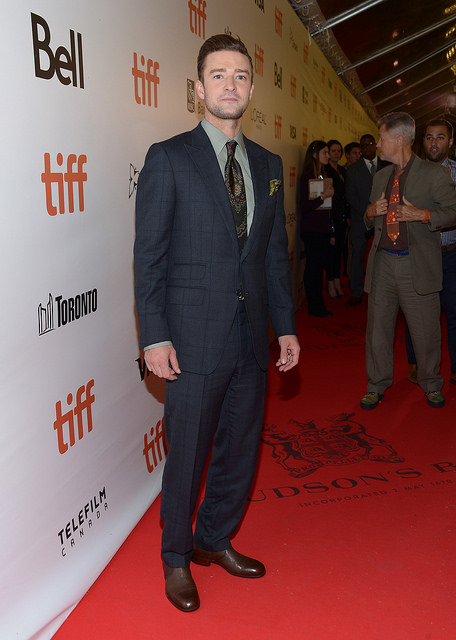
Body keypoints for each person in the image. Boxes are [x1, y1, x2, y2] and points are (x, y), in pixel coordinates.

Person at [134, 34, 300, 613]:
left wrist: (285, 325)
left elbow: (274, 255)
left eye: (239, 76)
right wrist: (154, 335)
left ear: (251, 89)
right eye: (218, 75)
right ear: (199, 88)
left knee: (239, 450)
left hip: (251, 336)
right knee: (187, 455)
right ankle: (176, 558)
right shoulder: (169, 157)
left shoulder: (270, 165)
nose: (230, 85)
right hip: (190, 339)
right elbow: (149, 256)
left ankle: (214, 539)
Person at [360, 112, 456, 411]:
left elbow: (453, 212)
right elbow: (366, 220)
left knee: (425, 330)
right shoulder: (380, 177)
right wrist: (370, 212)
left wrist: (423, 215)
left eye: (382, 138)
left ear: (399, 140)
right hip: (383, 264)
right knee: (377, 330)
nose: (378, 144)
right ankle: (376, 385)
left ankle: (431, 384)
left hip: (417, 263)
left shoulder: (434, 175)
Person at [405, 119, 456, 387]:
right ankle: (415, 363)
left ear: (450, 141)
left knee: (454, 312)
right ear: (421, 142)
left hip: (451, 255)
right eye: (428, 138)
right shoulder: (408, 174)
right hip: (419, 255)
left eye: (440, 137)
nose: (433, 143)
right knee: (416, 313)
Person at [345, 133, 389, 307]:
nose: (367, 147)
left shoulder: (388, 166)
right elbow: (350, 196)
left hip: (385, 220)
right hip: (359, 221)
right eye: (363, 145)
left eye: (370, 143)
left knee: (383, 257)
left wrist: (381, 211)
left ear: (376, 145)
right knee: (357, 257)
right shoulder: (353, 169)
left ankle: (382, 292)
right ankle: (356, 292)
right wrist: (370, 212)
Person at [299, 140, 335, 317]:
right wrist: (324, 197)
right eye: (324, 153)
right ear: (315, 154)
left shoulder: (324, 174)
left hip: (323, 229)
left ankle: (317, 305)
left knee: (318, 268)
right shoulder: (307, 176)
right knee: (313, 268)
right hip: (312, 230)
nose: (328, 156)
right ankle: (314, 306)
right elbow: (305, 205)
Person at [325, 139, 348, 298]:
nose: (336, 154)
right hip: (330, 217)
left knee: (339, 251)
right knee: (331, 253)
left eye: (339, 151)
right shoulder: (324, 170)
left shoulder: (342, 170)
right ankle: (331, 283)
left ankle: (337, 282)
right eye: (333, 151)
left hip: (342, 217)